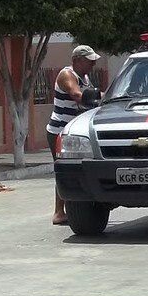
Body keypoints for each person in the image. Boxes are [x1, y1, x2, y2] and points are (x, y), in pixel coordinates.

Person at [46, 45, 101, 225]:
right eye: (89, 61)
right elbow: (77, 95)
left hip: (75, 131)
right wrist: (105, 96)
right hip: (60, 131)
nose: (93, 65)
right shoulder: (67, 75)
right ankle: (58, 212)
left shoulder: (83, 76)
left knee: (75, 169)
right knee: (64, 169)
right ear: (77, 60)